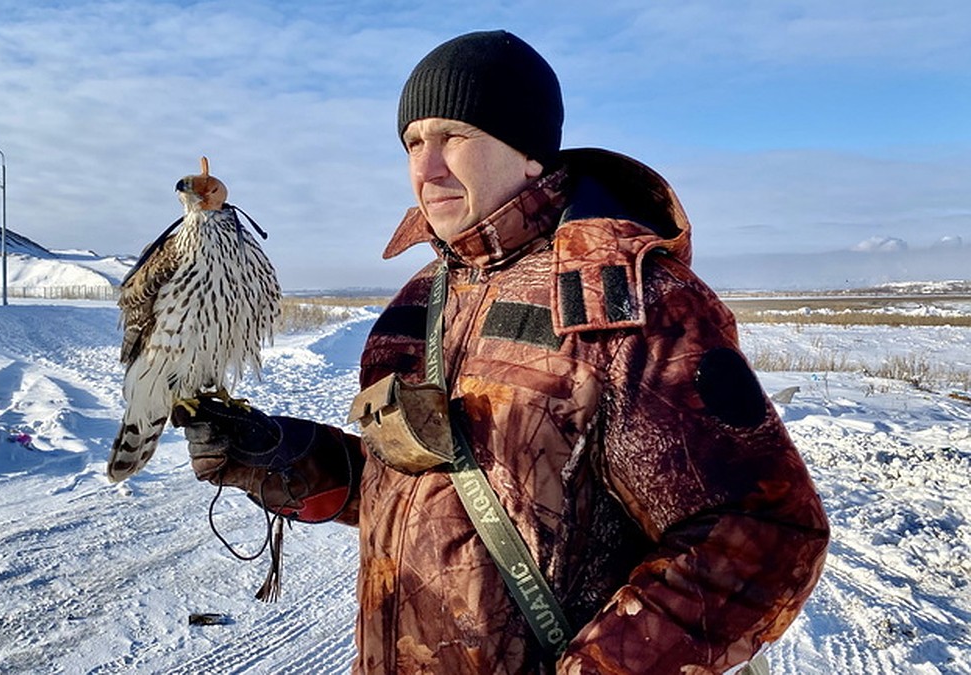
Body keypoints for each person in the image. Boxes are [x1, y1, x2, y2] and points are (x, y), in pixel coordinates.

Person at [179, 30, 829, 674]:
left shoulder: (626, 300)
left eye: (454, 136)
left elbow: (762, 534)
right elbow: (408, 488)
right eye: (412, 142)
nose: (426, 168)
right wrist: (274, 455)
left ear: (527, 152)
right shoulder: (417, 302)